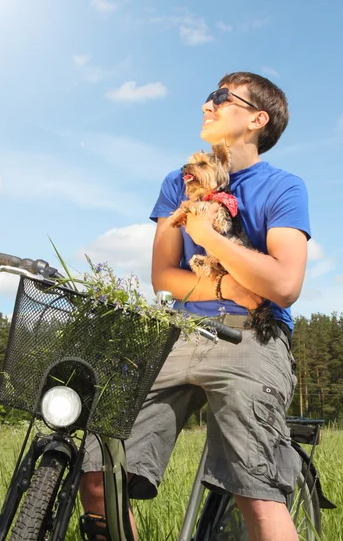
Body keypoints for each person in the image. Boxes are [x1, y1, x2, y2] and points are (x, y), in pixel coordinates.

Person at [80, 72, 310, 541]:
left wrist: (205, 237)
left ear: (257, 119)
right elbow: (164, 276)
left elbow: (284, 285)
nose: (207, 104)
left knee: (256, 490)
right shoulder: (178, 181)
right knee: (98, 471)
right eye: (209, 96)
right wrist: (230, 288)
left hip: (253, 336)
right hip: (182, 332)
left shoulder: (284, 187)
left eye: (221, 98)